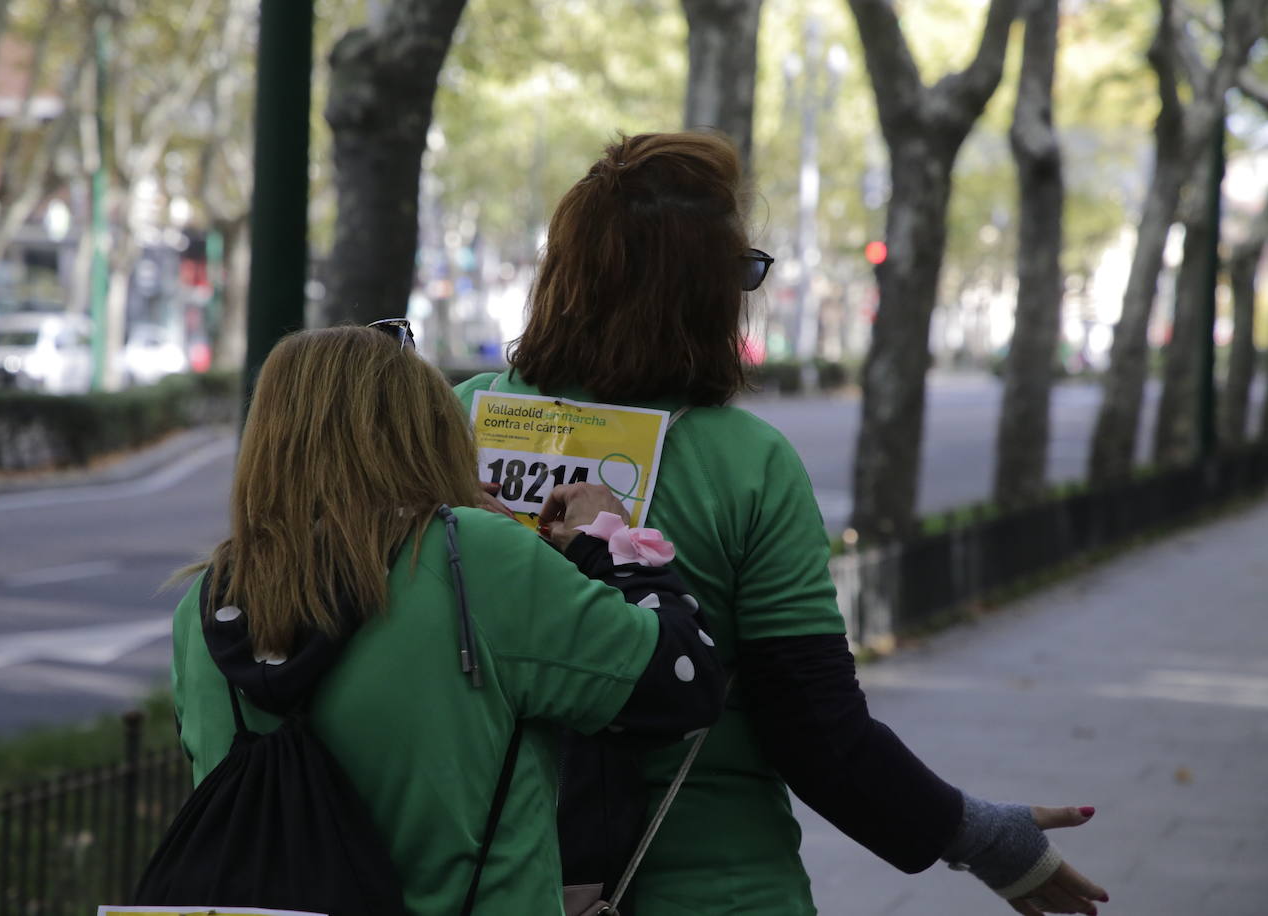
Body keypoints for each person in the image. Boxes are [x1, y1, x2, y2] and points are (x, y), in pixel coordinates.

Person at [456, 132, 1110, 916]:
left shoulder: (452, 426)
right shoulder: (748, 464)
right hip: (720, 887)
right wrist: (982, 836)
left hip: (482, 877)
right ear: (704, 294)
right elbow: (814, 728)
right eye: (742, 272)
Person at [168, 323, 724, 914]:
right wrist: (607, 542)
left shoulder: (201, 607)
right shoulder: (474, 560)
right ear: (424, 430)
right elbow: (681, 683)